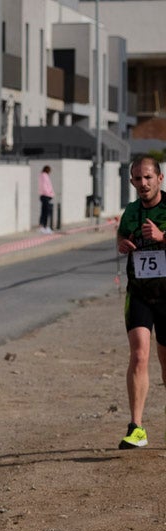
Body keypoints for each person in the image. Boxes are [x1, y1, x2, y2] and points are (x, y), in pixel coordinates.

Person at [115, 154, 166, 449]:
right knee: (139, 355)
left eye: (148, 177)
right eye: (137, 178)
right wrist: (122, 244)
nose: (143, 183)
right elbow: (121, 234)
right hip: (140, 292)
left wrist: (161, 237)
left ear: (159, 178)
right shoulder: (131, 211)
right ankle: (136, 427)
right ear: (131, 181)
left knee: (165, 361)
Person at [38, 165, 55, 234]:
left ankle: (44, 226)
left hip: (46, 195)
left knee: (45, 212)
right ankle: (44, 227)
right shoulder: (44, 176)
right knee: (45, 212)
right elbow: (45, 186)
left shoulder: (44, 176)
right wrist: (49, 193)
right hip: (45, 196)